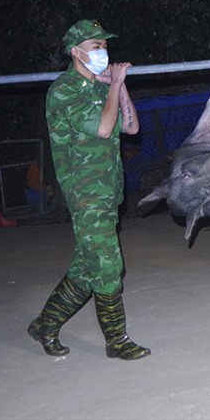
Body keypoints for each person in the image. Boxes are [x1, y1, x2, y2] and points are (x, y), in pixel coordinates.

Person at [27, 19, 150, 361]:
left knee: (87, 268)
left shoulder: (99, 87)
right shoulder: (64, 90)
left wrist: (117, 87)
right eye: (97, 46)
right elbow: (102, 127)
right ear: (76, 51)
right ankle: (117, 340)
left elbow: (130, 125)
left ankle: (44, 325)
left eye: (104, 46)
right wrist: (113, 85)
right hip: (85, 195)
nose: (104, 52)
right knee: (109, 267)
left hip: (109, 191)